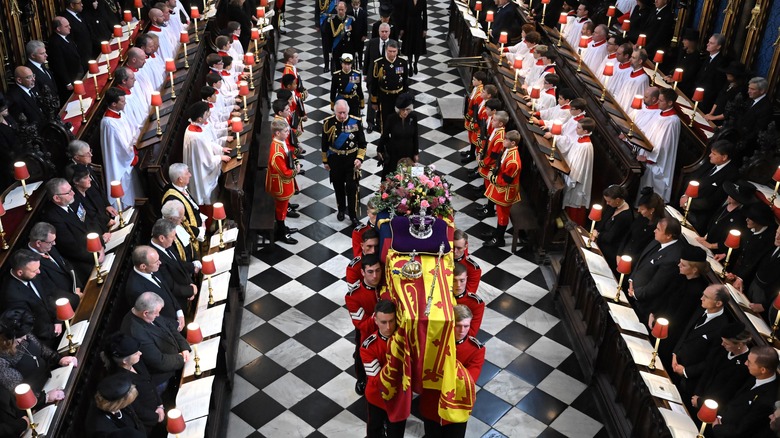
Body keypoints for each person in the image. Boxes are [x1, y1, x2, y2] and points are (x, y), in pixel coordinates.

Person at [419, 305, 484, 437]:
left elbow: (469, 380)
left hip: (456, 407)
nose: (462, 330)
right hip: (433, 403)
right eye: (458, 325)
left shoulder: (476, 349)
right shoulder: (432, 343)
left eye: (466, 326)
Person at [0, 309, 77, 409]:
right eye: (20, 337)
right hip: (37, 399)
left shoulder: (23, 334)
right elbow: (18, 389)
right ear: (7, 340)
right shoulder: (2, 360)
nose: (25, 338)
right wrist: (45, 397)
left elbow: (42, 349)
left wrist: (59, 359)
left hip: (51, 378)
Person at [120, 292, 190, 394]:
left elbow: (169, 326)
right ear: (145, 313)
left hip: (178, 357)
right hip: (165, 375)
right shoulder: (135, 332)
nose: (158, 315)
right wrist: (182, 358)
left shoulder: (149, 312)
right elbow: (158, 361)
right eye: (156, 313)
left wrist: (184, 347)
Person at [41, 178, 107, 284]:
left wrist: (100, 245)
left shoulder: (72, 200)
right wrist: (96, 256)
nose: (73, 193)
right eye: (68, 192)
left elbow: (90, 222)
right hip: (83, 260)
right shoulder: (53, 218)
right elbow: (70, 247)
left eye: (71, 189)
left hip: (97, 248)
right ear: (57, 198)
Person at [654, 244, 710, 362]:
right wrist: (654, 314)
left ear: (694, 269)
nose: (679, 265)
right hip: (660, 321)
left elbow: (679, 318)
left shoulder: (696, 291)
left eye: (683, 264)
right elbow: (666, 297)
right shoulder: (680, 276)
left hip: (670, 333)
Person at [671, 285, 730, 395]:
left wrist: (685, 371)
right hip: (675, 362)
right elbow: (686, 332)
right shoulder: (702, 308)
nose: (701, 298)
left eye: (706, 297)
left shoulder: (722, 328)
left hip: (688, 378)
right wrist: (675, 353)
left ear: (718, 303)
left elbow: (711, 360)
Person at [100, 333, 163, 434]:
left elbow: (149, 380)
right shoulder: (119, 382)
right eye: (135, 353)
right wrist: (156, 417)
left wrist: (160, 405)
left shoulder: (135, 361)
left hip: (157, 407)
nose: (140, 353)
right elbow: (137, 409)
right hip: (149, 423)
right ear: (125, 361)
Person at [711, 345, 778, 437]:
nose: (745, 363)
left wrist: (717, 427)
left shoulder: (767, 399)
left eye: (750, 362)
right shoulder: (753, 376)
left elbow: (743, 429)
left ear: (763, 370)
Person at [361, 300, 405, 437]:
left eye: (391, 321)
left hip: (399, 398)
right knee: (374, 430)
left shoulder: (405, 341)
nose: (388, 327)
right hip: (377, 397)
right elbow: (376, 380)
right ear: (375, 320)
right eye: (383, 322)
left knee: (396, 433)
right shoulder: (368, 347)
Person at [628, 217, 683, 323]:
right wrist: (631, 279)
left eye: (658, 229)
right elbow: (641, 260)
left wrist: (635, 293)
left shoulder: (672, 258)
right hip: (633, 289)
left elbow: (656, 285)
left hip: (644, 303)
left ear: (668, 235)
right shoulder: (657, 240)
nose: (654, 231)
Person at [678, 140, 740, 234]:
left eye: (714, 154)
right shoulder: (710, 162)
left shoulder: (732, 174)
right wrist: (685, 196)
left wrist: (688, 204)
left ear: (724, 157)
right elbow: (692, 178)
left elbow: (714, 200)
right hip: (684, 202)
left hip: (699, 215)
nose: (710, 155)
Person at [345, 253, 385, 395]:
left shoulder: (386, 287)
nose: (375, 276)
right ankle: (361, 379)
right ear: (362, 272)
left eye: (378, 271)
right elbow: (362, 325)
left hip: (386, 335)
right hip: (368, 336)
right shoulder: (354, 296)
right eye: (370, 272)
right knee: (361, 357)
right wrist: (381, 314)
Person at [321, 99, 367, 226]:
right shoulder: (328, 123)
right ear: (335, 111)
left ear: (348, 111)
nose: (342, 116)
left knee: (352, 189)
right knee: (338, 187)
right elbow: (324, 145)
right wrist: (325, 161)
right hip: (335, 161)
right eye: (339, 113)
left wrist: (359, 158)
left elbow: (362, 144)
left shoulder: (356, 121)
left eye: (344, 113)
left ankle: (353, 215)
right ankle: (341, 209)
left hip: (351, 162)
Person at [688, 324, 751, 411]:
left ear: (739, 344)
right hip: (699, 395)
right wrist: (697, 396)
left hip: (713, 406)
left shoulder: (745, 364)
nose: (722, 344)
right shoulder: (721, 349)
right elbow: (707, 372)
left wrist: (701, 402)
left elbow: (728, 391)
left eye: (726, 343)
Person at [183, 102, 232, 211]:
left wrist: (221, 149)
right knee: (206, 194)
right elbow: (207, 161)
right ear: (200, 119)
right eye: (206, 113)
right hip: (200, 170)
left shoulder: (195, 128)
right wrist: (220, 157)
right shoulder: (195, 137)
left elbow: (208, 143)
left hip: (199, 163)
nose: (209, 114)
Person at [125, 246, 185, 332]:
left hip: (177, 317)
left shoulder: (152, 269)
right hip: (169, 329)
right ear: (143, 266)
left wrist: (179, 312)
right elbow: (151, 317)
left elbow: (167, 291)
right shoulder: (135, 289)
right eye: (156, 262)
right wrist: (175, 325)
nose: (160, 263)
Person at [636, 88, 680, 202]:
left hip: (657, 161)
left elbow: (664, 145)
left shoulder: (672, 121)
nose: (658, 102)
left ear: (670, 103)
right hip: (648, 153)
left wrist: (648, 158)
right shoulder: (660, 114)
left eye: (661, 101)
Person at [100, 87, 139, 208]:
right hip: (121, 163)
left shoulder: (120, 113)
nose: (125, 102)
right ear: (113, 104)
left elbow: (133, 129)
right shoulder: (109, 123)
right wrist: (132, 153)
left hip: (129, 152)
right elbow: (118, 148)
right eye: (122, 101)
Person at [482, 129, 522, 247]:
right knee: (500, 214)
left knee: (503, 215)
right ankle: (497, 233)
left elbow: (505, 181)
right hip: (502, 187)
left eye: (506, 140)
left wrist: (492, 178)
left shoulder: (513, 161)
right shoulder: (508, 150)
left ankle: (499, 239)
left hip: (506, 191)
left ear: (513, 143)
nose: (503, 141)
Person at [725, 202, 777, 290]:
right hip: (734, 272)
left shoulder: (768, 241)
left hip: (747, 280)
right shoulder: (748, 229)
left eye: (751, 218)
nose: (746, 220)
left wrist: (740, 277)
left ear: (759, 221)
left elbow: (755, 262)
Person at [27, 222, 84, 302]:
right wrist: (76, 298)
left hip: (77, 291)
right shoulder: (31, 263)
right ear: (38, 243)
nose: (54, 244)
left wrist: (77, 286)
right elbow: (51, 290)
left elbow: (67, 265)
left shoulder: (48, 247)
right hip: (67, 302)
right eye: (51, 242)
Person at [150, 219, 197, 312]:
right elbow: (170, 285)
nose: (175, 238)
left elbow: (179, 263)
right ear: (162, 238)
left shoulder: (166, 244)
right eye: (173, 236)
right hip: (178, 301)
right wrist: (190, 291)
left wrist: (190, 283)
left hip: (186, 290)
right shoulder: (154, 257)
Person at [695, 180, 753, 255]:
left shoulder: (740, 217)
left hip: (718, 252)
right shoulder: (726, 204)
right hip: (707, 241)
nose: (729, 196)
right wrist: (706, 237)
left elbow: (732, 241)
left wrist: (711, 246)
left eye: (733, 196)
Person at [266, 119, 300, 245]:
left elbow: (290, 154)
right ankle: (281, 232)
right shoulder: (276, 152)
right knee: (281, 210)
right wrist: (295, 171)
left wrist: (295, 161)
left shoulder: (282, 142)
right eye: (285, 131)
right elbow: (284, 172)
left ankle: (283, 227)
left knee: (284, 207)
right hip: (280, 184)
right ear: (277, 133)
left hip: (284, 182)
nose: (288, 133)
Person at [558, 117, 595, 226]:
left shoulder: (586, 146)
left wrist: (570, 179)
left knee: (574, 204)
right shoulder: (579, 140)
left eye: (578, 128)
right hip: (569, 174)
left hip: (577, 182)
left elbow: (580, 167)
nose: (576, 130)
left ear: (585, 131)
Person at [162, 163, 206, 253]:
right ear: (180, 179)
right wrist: (201, 230)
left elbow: (192, 207)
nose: (190, 175)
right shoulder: (172, 199)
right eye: (187, 173)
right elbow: (181, 223)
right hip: (192, 237)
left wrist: (202, 219)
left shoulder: (180, 187)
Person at [592, 185, 633, 271]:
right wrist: (596, 230)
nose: (607, 203)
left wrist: (598, 235)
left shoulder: (625, 216)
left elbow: (611, 237)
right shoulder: (613, 206)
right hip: (602, 239)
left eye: (609, 201)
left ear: (617, 200)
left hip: (610, 248)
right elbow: (603, 220)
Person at [376, 93, 418, 177]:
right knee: (393, 177)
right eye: (403, 110)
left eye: (407, 109)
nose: (405, 112)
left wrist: (416, 153)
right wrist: (379, 149)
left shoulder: (413, 117)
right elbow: (385, 135)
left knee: (408, 177)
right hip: (394, 152)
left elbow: (415, 136)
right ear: (398, 109)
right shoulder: (391, 118)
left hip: (409, 152)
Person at [369, 40, 408, 132]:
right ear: (386, 50)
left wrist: (406, 98)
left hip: (399, 96)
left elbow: (405, 81)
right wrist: (374, 101)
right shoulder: (379, 63)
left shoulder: (402, 62)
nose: (392, 54)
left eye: (394, 51)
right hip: (385, 97)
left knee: (399, 119)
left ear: (397, 51)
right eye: (390, 51)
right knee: (385, 120)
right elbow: (374, 83)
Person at [475, 111, 508, 219]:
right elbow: (488, 146)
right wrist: (481, 154)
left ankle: (489, 209)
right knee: (488, 186)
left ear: (500, 124)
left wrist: (483, 162)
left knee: (491, 188)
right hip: (487, 161)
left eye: (494, 120)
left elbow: (494, 155)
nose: (492, 121)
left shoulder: (500, 137)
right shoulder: (495, 130)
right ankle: (488, 206)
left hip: (491, 165)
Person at [47, 16, 84, 104]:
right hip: (70, 80)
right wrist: (67, 82)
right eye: (66, 26)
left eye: (69, 25)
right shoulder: (54, 43)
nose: (70, 27)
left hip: (76, 74)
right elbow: (59, 65)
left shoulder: (66, 36)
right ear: (58, 29)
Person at [69, 164, 115, 236]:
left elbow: (98, 211)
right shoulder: (74, 201)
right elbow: (88, 221)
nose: (90, 179)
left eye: (89, 176)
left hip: (105, 227)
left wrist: (107, 220)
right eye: (85, 178)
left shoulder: (89, 189)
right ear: (76, 182)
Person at [363, 23, 392, 132]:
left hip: (387, 78)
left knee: (385, 100)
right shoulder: (372, 42)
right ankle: (370, 122)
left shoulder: (393, 44)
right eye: (382, 31)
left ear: (389, 32)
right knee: (372, 99)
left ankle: (381, 122)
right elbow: (367, 59)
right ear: (379, 32)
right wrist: (365, 73)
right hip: (372, 77)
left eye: (386, 31)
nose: (384, 34)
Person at [694, 34, 729, 114]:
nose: (707, 44)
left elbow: (716, 85)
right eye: (708, 42)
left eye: (711, 43)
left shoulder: (721, 62)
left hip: (706, 100)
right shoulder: (708, 57)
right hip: (697, 93)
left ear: (718, 46)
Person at [704, 61, 747, 125]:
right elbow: (719, 98)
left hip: (724, 122)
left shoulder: (740, 91)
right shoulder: (728, 83)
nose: (727, 73)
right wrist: (711, 113)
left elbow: (730, 112)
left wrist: (714, 118)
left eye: (730, 73)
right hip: (715, 116)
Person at [664, 29, 701, 96]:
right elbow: (677, 65)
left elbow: (689, 75)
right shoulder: (682, 51)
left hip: (683, 87)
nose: (683, 41)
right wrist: (671, 75)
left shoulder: (696, 57)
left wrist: (674, 80)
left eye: (685, 40)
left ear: (691, 42)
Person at [451, 263, 485, 337]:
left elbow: (472, 332)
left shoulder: (476, 303)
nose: (458, 285)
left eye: (462, 280)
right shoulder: (442, 296)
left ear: (466, 279)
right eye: (454, 281)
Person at [25, 40, 59, 106]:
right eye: (42, 53)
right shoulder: (28, 71)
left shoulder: (41, 64)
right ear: (33, 55)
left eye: (45, 52)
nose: (46, 55)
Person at [323, 1, 353, 72]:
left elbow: (354, 36)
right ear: (336, 9)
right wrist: (329, 49)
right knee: (336, 70)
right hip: (336, 48)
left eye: (342, 9)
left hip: (347, 48)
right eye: (339, 9)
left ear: (346, 9)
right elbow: (328, 37)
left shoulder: (351, 20)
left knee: (348, 70)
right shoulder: (331, 21)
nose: (340, 11)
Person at [330, 53, 364, 118]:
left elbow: (359, 89)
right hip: (341, 100)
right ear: (341, 63)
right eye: (345, 64)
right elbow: (333, 90)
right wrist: (332, 103)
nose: (347, 66)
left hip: (353, 101)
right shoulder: (336, 75)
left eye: (349, 64)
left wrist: (361, 101)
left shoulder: (356, 74)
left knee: (353, 122)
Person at [400, 0, 427, 75]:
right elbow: (404, 14)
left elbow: (425, 14)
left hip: (419, 25)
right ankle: (410, 66)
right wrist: (402, 28)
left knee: (417, 46)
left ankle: (415, 64)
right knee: (409, 46)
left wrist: (425, 29)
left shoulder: (423, 1)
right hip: (409, 25)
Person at [347, 0, 368, 69]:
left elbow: (365, 25)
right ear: (351, 4)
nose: (356, 5)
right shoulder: (349, 13)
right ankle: (352, 64)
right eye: (354, 3)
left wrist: (365, 35)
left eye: (357, 3)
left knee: (360, 51)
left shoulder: (363, 13)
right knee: (352, 51)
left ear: (359, 3)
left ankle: (360, 64)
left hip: (360, 36)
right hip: (352, 36)